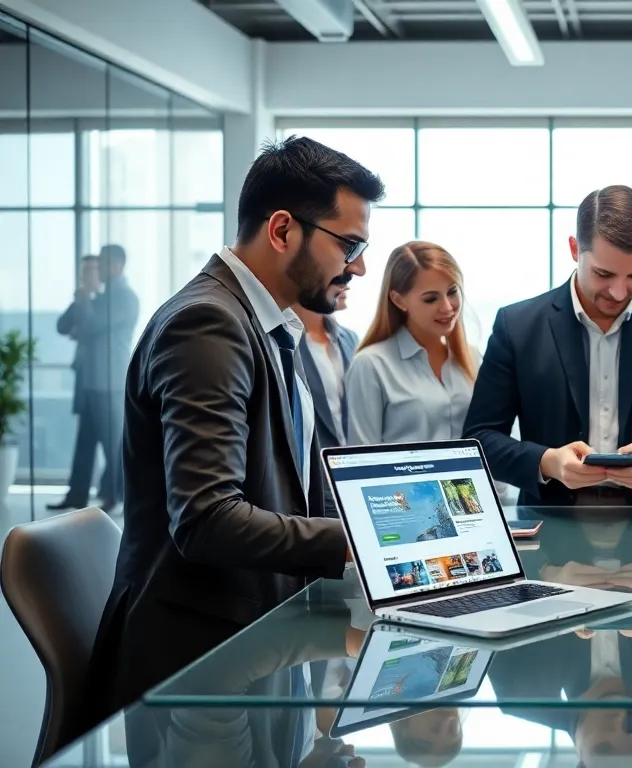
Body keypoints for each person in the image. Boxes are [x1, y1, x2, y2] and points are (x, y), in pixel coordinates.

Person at [84, 136, 385, 726]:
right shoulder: (208, 325)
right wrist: (359, 541)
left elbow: (288, 481)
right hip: (200, 666)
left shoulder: (266, 323)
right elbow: (207, 519)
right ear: (281, 231)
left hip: (257, 639)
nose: (360, 266)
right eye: (349, 244)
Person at [462, 185, 632, 506]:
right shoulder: (517, 326)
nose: (619, 292)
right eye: (603, 273)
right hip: (551, 521)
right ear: (574, 248)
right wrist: (547, 462)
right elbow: (479, 440)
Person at [345, 241, 479, 445]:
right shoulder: (371, 365)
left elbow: (493, 443)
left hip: (467, 479)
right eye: (431, 299)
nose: (447, 307)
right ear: (398, 300)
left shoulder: (472, 358)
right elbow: (363, 457)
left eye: (452, 292)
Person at [49, 245, 140, 511]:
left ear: (117, 265)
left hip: (108, 382)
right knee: (85, 443)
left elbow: (91, 325)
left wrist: (86, 304)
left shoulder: (124, 297)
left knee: (112, 443)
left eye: (100, 264)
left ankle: (113, 496)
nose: (96, 269)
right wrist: (83, 296)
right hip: (89, 381)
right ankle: (76, 495)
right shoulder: (98, 297)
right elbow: (63, 326)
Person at [295, 285, 359, 451]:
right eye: (337, 280)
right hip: (311, 468)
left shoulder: (350, 339)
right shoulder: (285, 344)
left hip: (352, 464)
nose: (346, 286)